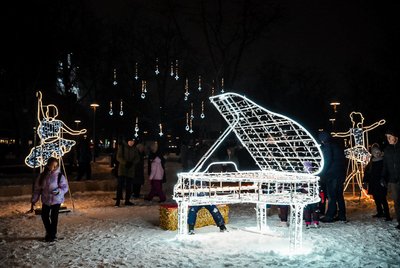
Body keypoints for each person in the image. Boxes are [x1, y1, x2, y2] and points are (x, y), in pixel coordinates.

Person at [31, 157, 69, 242]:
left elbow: (65, 187)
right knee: (44, 216)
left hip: (56, 200)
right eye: (53, 165)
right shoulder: (42, 176)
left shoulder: (60, 176)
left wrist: (59, 191)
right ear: (48, 165)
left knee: (54, 217)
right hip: (46, 200)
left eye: (56, 166)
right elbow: (37, 189)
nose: (54, 167)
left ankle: (52, 235)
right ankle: (49, 232)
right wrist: (34, 199)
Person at [318, 131, 347, 223]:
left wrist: (321, 173)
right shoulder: (336, 146)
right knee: (339, 195)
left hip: (332, 175)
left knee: (332, 196)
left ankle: (330, 215)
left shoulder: (327, 147)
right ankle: (342, 215)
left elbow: (327, 161)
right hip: (340, 173)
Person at [363, 145, 391, 221]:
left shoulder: (383, 161)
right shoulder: (371, 162)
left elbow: (386, 172)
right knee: (376, 198)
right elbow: (367, 172)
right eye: (375, 152)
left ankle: (387, 215)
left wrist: (385, 180)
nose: (377, 153)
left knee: (383, 199)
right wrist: (365, 181)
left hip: (381, 183)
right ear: (372, 153)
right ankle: (380, 212)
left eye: (378, 152)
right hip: (373, 183)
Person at [381, 127, 400, 229]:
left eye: (390, 137)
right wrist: (383, 177)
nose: (388, 139)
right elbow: (385, 165)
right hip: (393, 180)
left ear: (396, 137)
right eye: (387, 137)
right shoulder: (387, 150)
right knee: (397, 201)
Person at [115, 137, 139, 207]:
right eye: (130, 141)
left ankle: (127, 201)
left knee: (129, 186)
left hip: (131, 170)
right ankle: (118, 201)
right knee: (120, 186)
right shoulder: (122, 147)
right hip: (122, 169)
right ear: (127, 141)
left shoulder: (135, 148)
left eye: (133, 141)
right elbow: (118, 157)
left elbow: (137, 158)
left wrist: (132, 163)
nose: (132, 142)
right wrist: (125, 163)